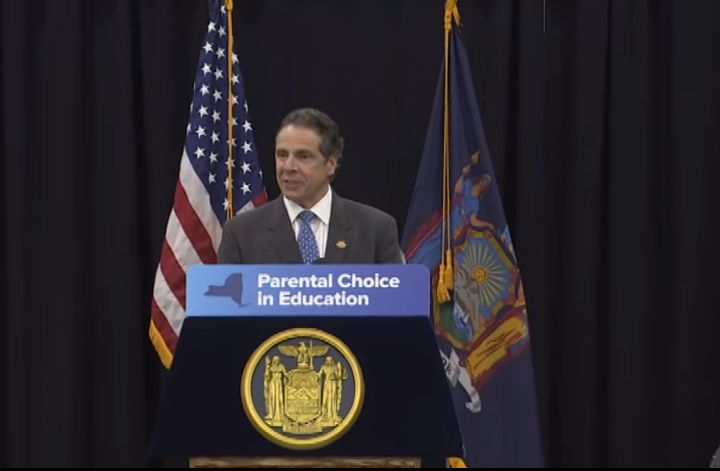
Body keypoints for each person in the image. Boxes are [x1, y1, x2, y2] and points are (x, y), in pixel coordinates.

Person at [217, 107, 403, 265]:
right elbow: (226, 296)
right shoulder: (241, 233)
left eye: (303, 156)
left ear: (331, 164)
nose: (288, 167)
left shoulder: (375, 230)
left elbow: (396, 297)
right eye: (282, 155)